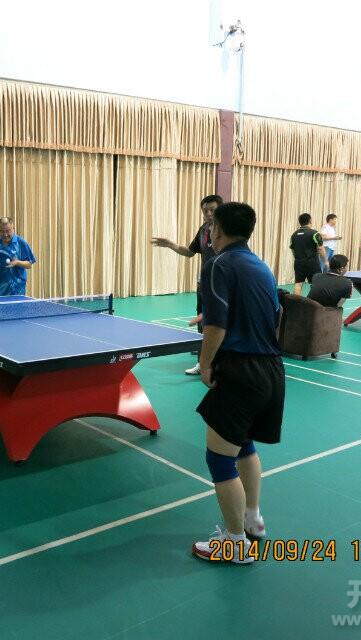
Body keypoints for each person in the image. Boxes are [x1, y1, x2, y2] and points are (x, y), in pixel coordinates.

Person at [191, 202, 285, 564]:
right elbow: (275, 313)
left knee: (219, 459)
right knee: (243, 444)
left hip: (240, 372)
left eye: (211, 226)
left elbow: (216, 327)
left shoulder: (219, 264)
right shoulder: (261, 266)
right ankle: (253, 520)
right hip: (271, 370)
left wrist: (205, 364)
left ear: (217, 229)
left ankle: (234, 543)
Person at [151, 194, 223, 375]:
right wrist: (171, 245)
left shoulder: (226, 231)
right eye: (205, 211)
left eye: (212, 210)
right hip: (204, 285)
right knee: (203, 324)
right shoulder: (203, 230)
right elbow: (190, 252)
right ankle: (203, 362)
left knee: (218, 323)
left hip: (221, 285)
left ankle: (219, 363)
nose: (208, 214)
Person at [0, 217, 36, 296]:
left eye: (8, 231)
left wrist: (17, 262)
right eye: (2, 231)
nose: (5, 234)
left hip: (17, 289)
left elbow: (29, 264)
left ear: (13, 229)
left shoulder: (20, 243)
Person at [289, 213, 327, 295]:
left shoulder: (294, 235)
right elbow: (321, 248)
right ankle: (314, 302)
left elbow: (292, 249)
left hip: (298, 262)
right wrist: (326, 261)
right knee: (316, 284)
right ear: (310, 221)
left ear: (300, 222)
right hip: (312, 262)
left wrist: (297, 257)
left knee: (298, 284)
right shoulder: (315, 233)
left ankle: (295, 302)